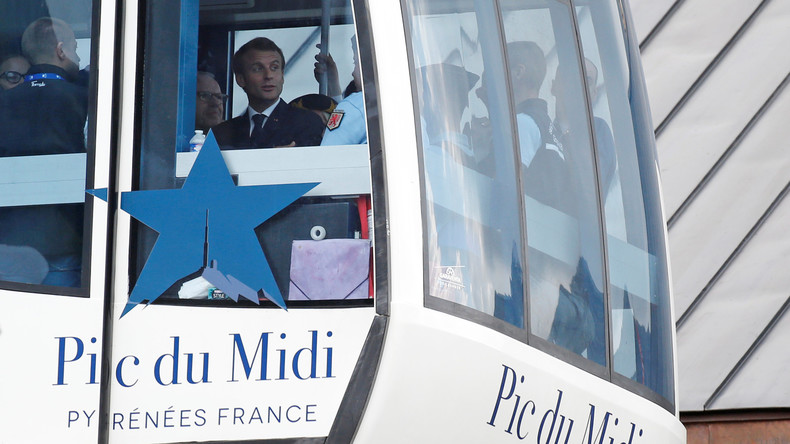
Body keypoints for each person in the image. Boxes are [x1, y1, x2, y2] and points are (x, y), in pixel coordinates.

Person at [0, 17, 87, 287]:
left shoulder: (4, 102)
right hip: (65, 242)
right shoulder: (83, 98)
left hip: (10, 246)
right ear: (61, 50)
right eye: (74, 48)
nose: (78, 55)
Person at [212, 37, 324, 149]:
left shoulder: (307, 122)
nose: (268, 76)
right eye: (257, 69)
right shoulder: (222, 133)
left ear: (282, 75)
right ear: (240, 79)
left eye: (274, 68)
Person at [321, 36, 367, 146]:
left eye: (355, 62)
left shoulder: (355, 105)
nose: (352, 73)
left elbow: (329, 155)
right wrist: (333, 82)